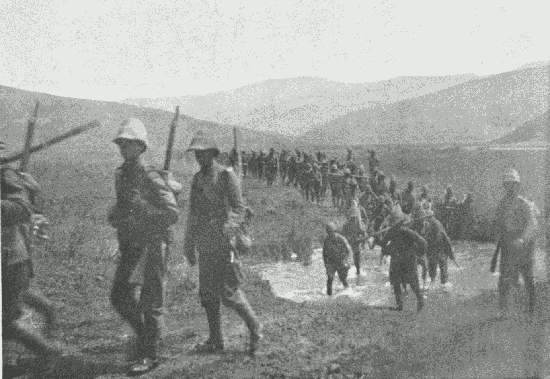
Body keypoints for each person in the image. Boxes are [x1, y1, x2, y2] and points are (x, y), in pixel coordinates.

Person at [107, 118, 180, 376]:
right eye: (121, 144)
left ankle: (150, 355)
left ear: (141, 146)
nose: (123, 148)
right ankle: (143, 337)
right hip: (130, 244)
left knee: (151, 302)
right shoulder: (121, 174)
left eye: (128, 144)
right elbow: (123, 206)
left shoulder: (149, 175)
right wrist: (115, 213)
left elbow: (171, 212)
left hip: (151, 244)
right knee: (119, 296)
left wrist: (143, 208)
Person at [184, 131, 263, 356]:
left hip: (224, 242)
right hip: (205, 243)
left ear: (213, 153)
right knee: (208, 295)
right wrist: (189, 244)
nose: (199, 157)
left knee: (229, 292)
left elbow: (239, 208)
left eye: (203, 153)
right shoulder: (198, 179)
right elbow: (193, 214)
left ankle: (256, 328)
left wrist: (229, 226)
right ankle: (216, 339)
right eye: (196, 153)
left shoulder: (227, 176)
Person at [1, 143, 66, 372]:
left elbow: (22, 207)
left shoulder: (4, 173)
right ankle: (48, 311)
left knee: (6, 321)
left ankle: (47, 351)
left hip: (9, 255)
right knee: (16, 299)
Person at [492, 168, 538, 316]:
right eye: (507, 185)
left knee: (528, 277)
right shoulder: (502, 204)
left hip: (524, 246)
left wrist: (523, 238)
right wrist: (498, 235)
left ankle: (532, 307)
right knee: (504, 278)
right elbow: (498, 223)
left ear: (518, 186)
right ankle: (503, 309)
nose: (510, 188)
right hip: (507, 246)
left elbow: (532, 225)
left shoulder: (523, 204)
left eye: (513, 185)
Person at [378, 206, 428, 313]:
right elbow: (383, 244)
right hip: (400, 260)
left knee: (410, 282)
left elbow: (423, 242)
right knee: (398, 282)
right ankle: (400, 305)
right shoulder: (395, 232)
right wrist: (377, 239)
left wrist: (418, 253)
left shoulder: (404, 232)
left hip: (406, 260)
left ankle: (418, 299)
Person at [322, 222, 352, 295]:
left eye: (331, 232)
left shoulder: (341, 239)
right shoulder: (326, 240)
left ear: (334, 231)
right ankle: (329, 296)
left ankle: (349, 292)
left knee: (343, 279)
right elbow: (324, 254)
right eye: (329, 232)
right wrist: (326, 265)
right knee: (330, 278)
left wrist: (346, 261)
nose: (330, 234)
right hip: (331, 262)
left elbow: (349, 250)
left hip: (341, 261)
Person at [341, 200, 367, 276]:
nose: (354, 219)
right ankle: (346, 272)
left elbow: (363, 233)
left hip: (355, 243)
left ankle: (358, 271)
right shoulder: (347, 225)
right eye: (353, 218)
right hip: (349, 243)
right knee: (348, 258)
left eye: (355, 218)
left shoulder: (359, 225)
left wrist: (363, 242)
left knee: (357, 259)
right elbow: (343, 234)